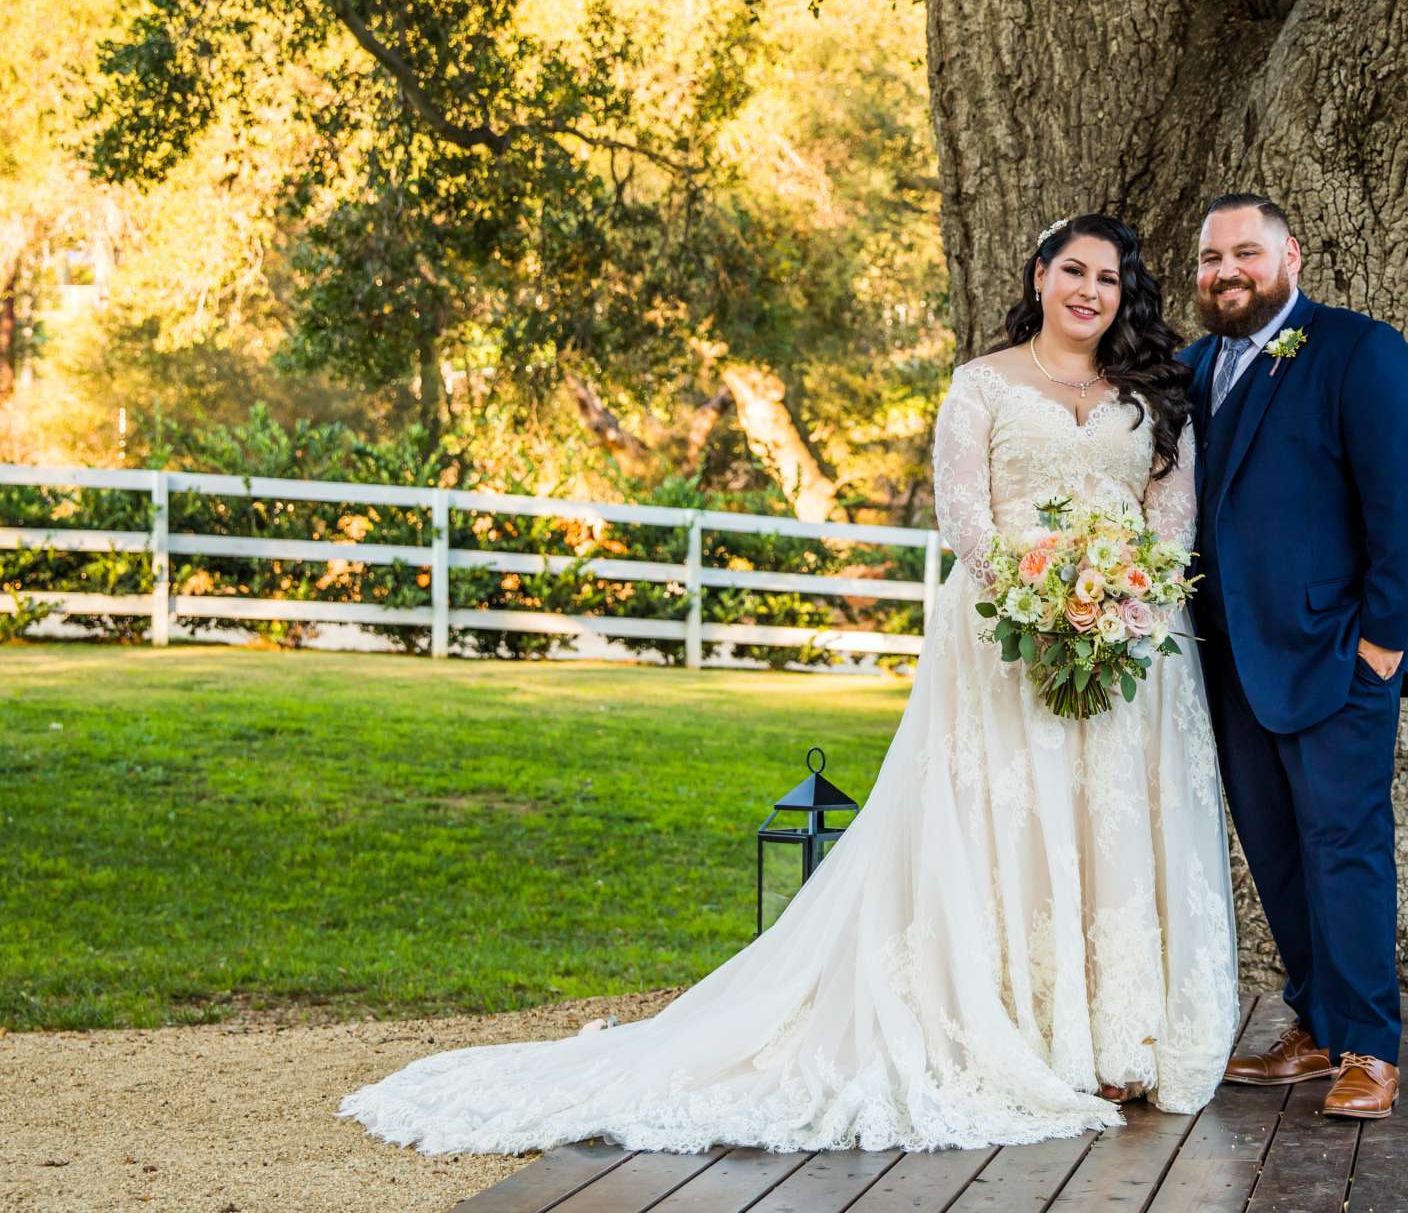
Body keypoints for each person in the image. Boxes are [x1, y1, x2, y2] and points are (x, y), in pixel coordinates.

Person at [339, 213, 1241, 1155]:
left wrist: (1125, 597)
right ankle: (1022, 1029)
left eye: (1107, 277)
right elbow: (965, 521)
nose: (1089, 291)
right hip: (1003, 636)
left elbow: (1168, 522)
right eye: (1073, 271)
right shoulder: (980, 386)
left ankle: (1119, 1037)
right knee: (1006, 824)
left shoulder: (1150, 394)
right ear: (1040, 275)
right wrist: (1043, 597)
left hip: (1132, 644)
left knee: (1111, 825)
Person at [1180, 193, 1408, 1122]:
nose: (1227, 272)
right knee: (1278, 858)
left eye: (1245, 253)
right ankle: (1317, 1027)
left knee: (1347, 852)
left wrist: (1381, 643)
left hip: (1336, 655)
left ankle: (1371, 1048)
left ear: (1291, 254)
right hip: (1227, 665)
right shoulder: (1191, 366)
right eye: (1212, 260)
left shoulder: (1356, 350)